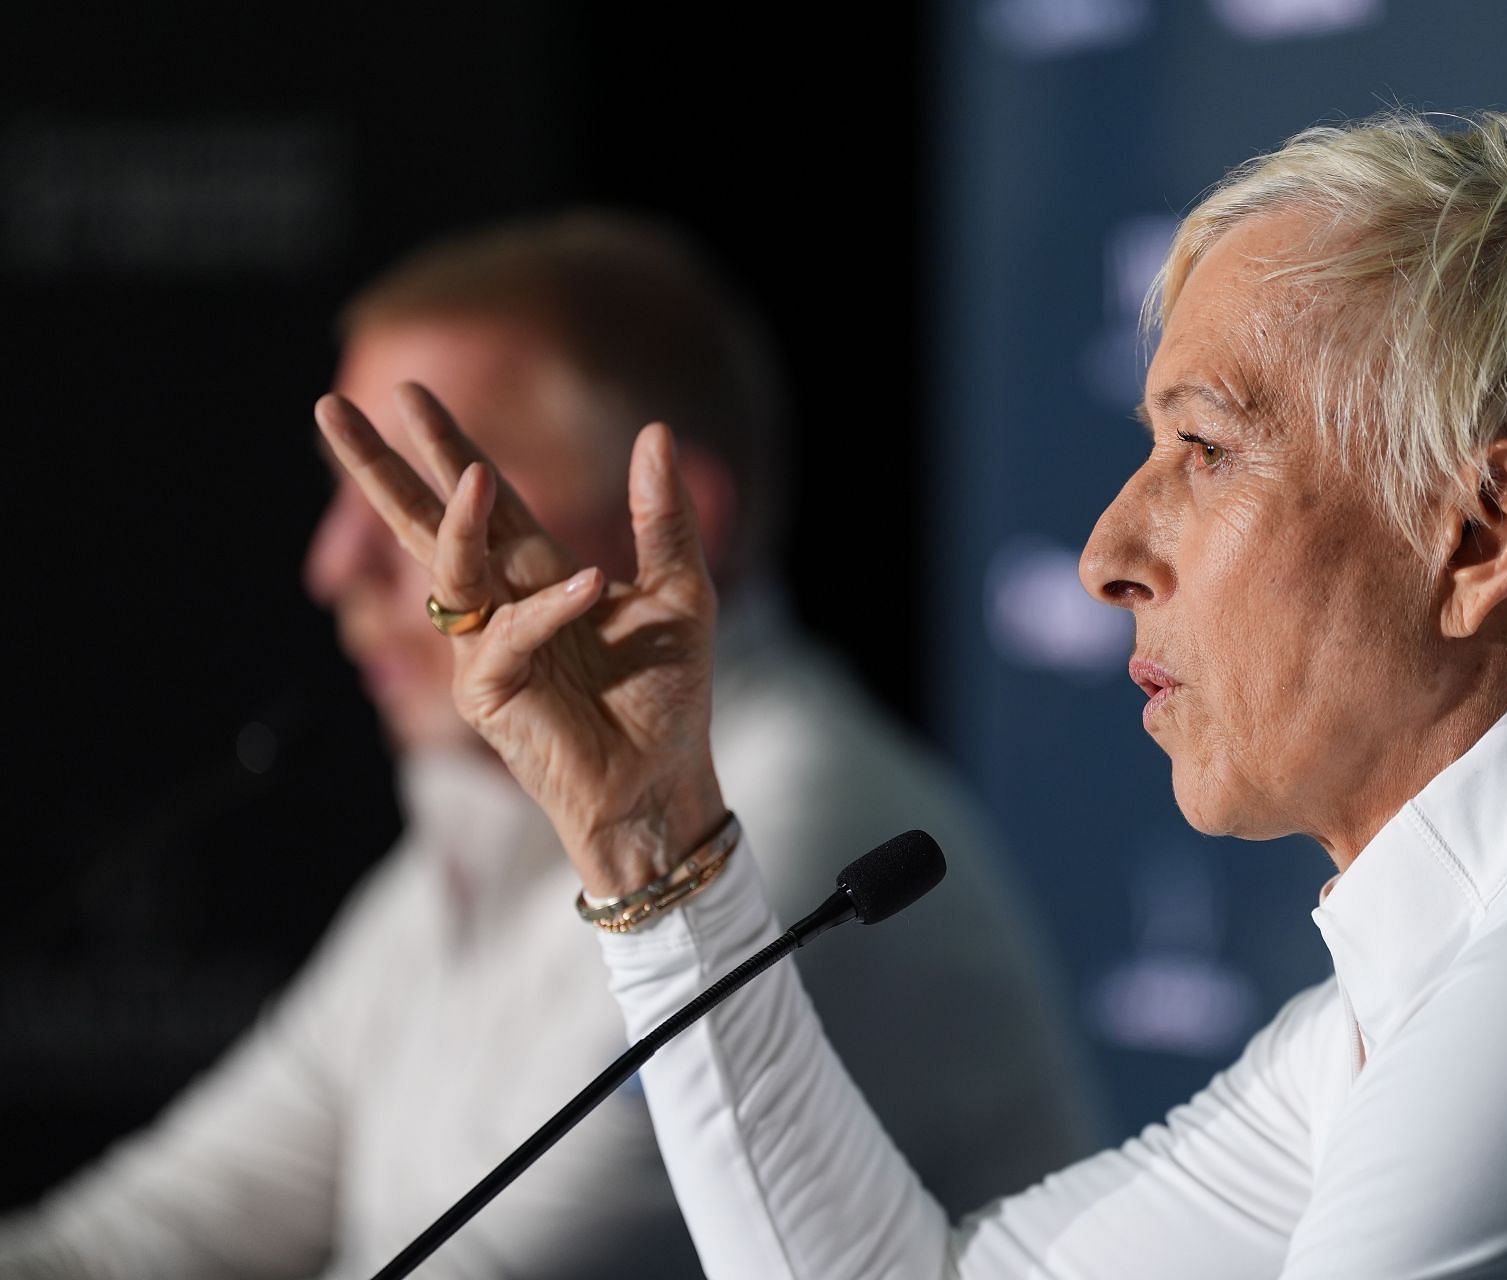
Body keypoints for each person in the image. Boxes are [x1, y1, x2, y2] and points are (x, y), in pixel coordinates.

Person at [313, 110, 1507, 1276]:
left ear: (1481, 533)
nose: (1105, 552)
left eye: (1204, 453)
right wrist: (648, 842)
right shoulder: (1453, 981)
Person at [0, 215, 1096, 1278]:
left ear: (667, 520)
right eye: (347, 494)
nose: (334, 565)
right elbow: (143, 1234)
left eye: (422, 499)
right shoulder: (473, 833)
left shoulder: (793, 829)